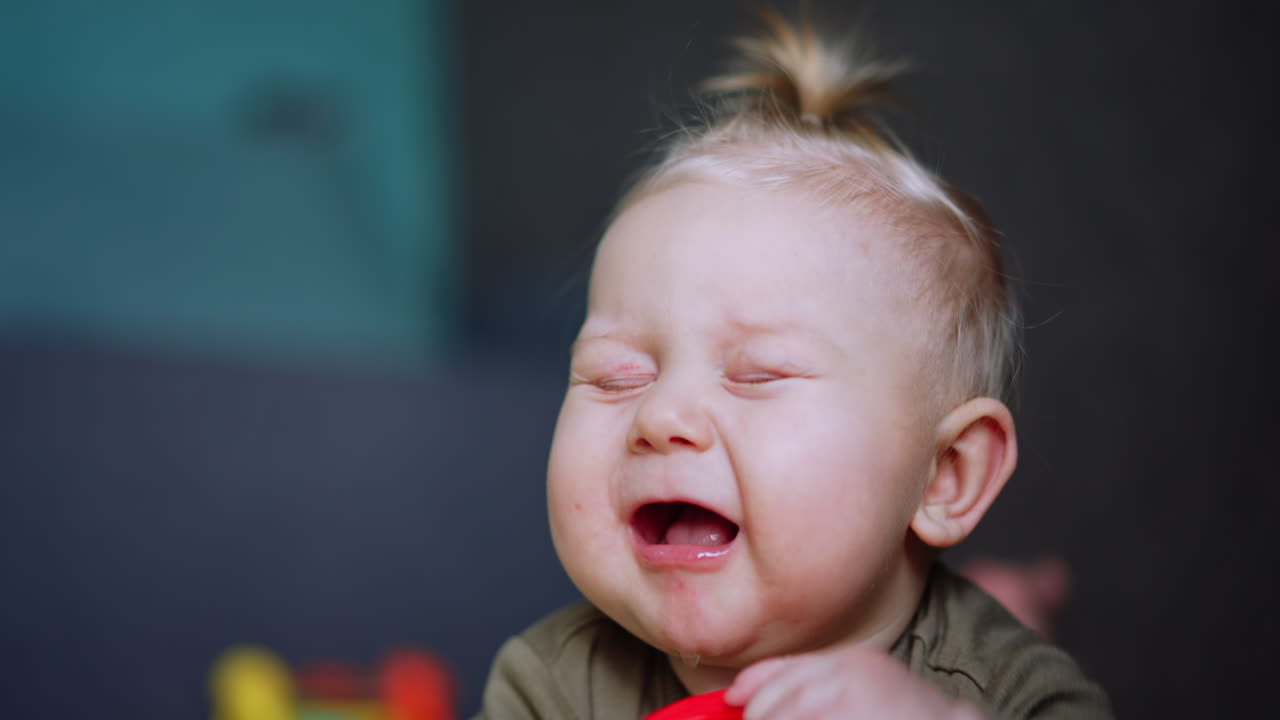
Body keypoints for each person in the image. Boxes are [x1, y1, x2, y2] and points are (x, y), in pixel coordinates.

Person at [475, 11, 1110, 719]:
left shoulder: (1007, 690)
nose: (661, 416)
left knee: (1000, 616)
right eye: (616, 376)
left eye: (758, 374)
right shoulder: (547, 683)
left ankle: (1016, 597)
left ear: (945, 475)